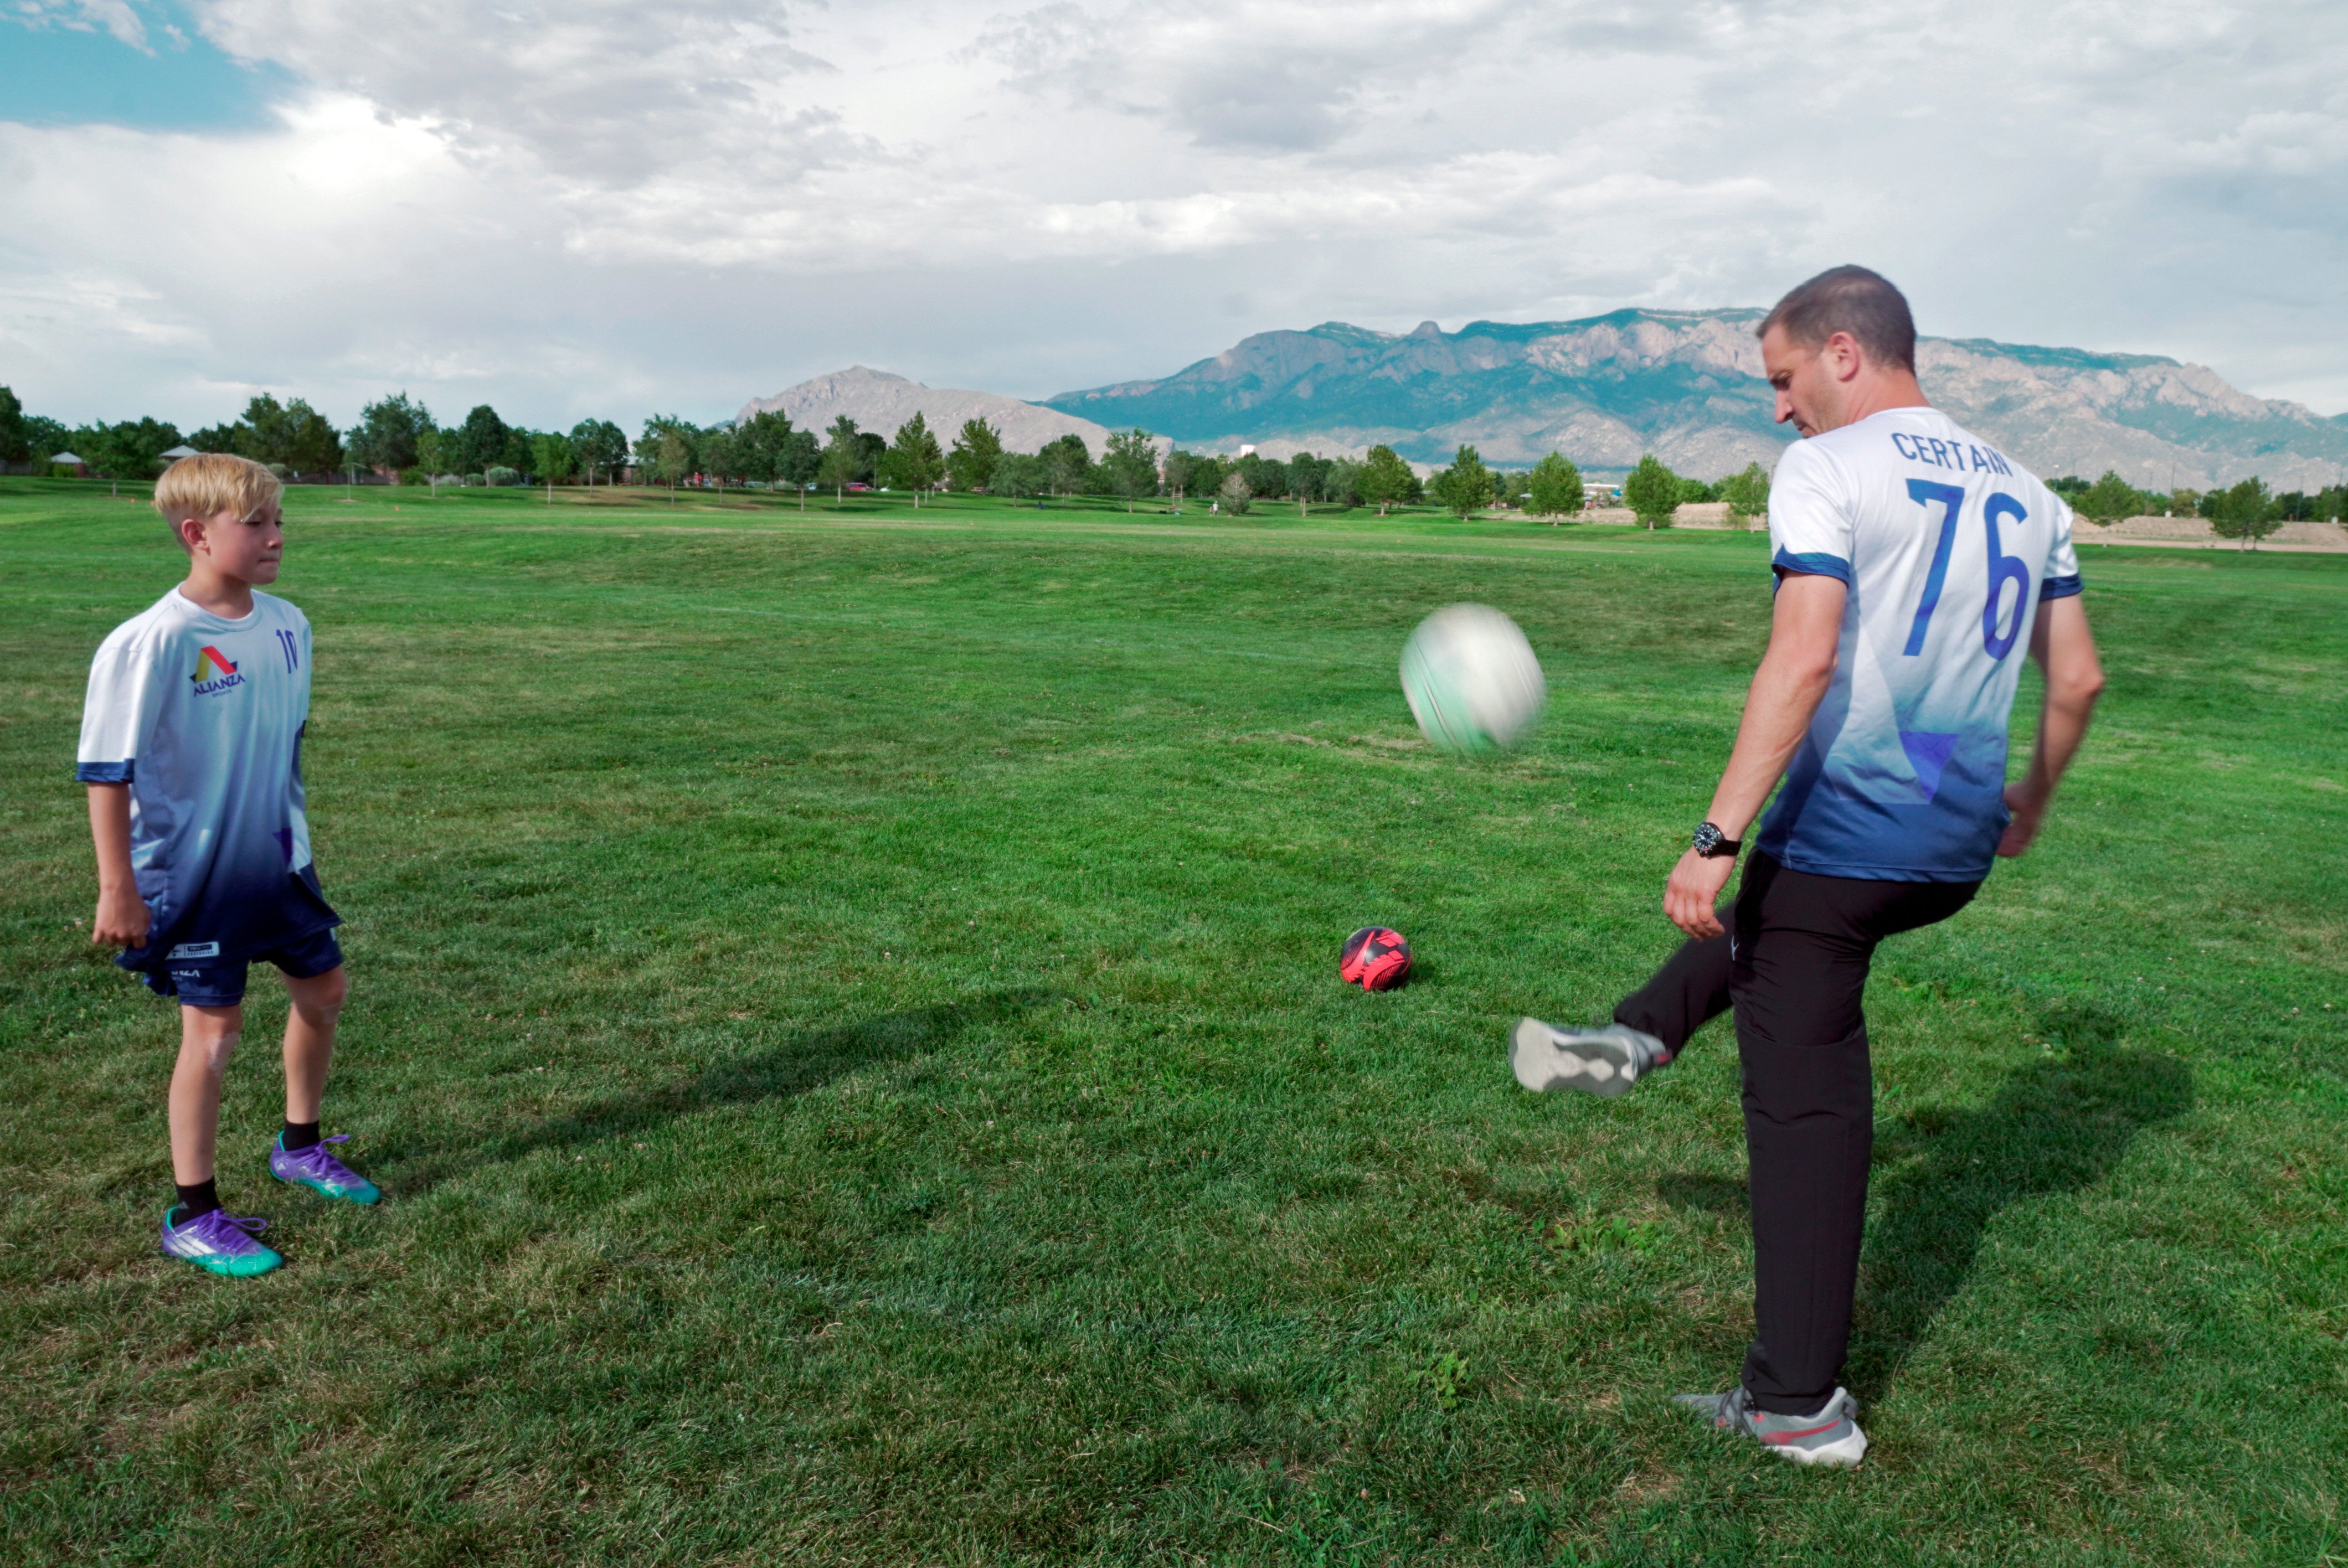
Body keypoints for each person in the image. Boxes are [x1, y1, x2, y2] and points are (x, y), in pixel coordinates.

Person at [1508, 266, 2104, 1467]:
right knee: (1782, 930)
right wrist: (2029, 798)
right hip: (1949, 849)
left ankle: (1797, 1406)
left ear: (1842, 352)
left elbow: (1804, 657)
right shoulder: (2029, 491)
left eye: (1779, 380)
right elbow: (2077, 678)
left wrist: (1711, 836)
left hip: (1847, 846)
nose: (1776, 410)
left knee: (1804, 1105)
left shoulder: (1828, 469)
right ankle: (1634, 1037)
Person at [80, 453, 378, 1279]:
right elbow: (108, 771)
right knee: (213, 1036)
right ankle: (194, 1213)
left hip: (278, 863)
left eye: (280, 522)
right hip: (191, 875)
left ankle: (300, 1146)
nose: (277, 538)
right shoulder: (151, 642)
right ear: (196, 534)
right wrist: (119, 887)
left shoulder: (289, 624)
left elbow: (285, 745)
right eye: (257, 525)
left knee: (324, 993)